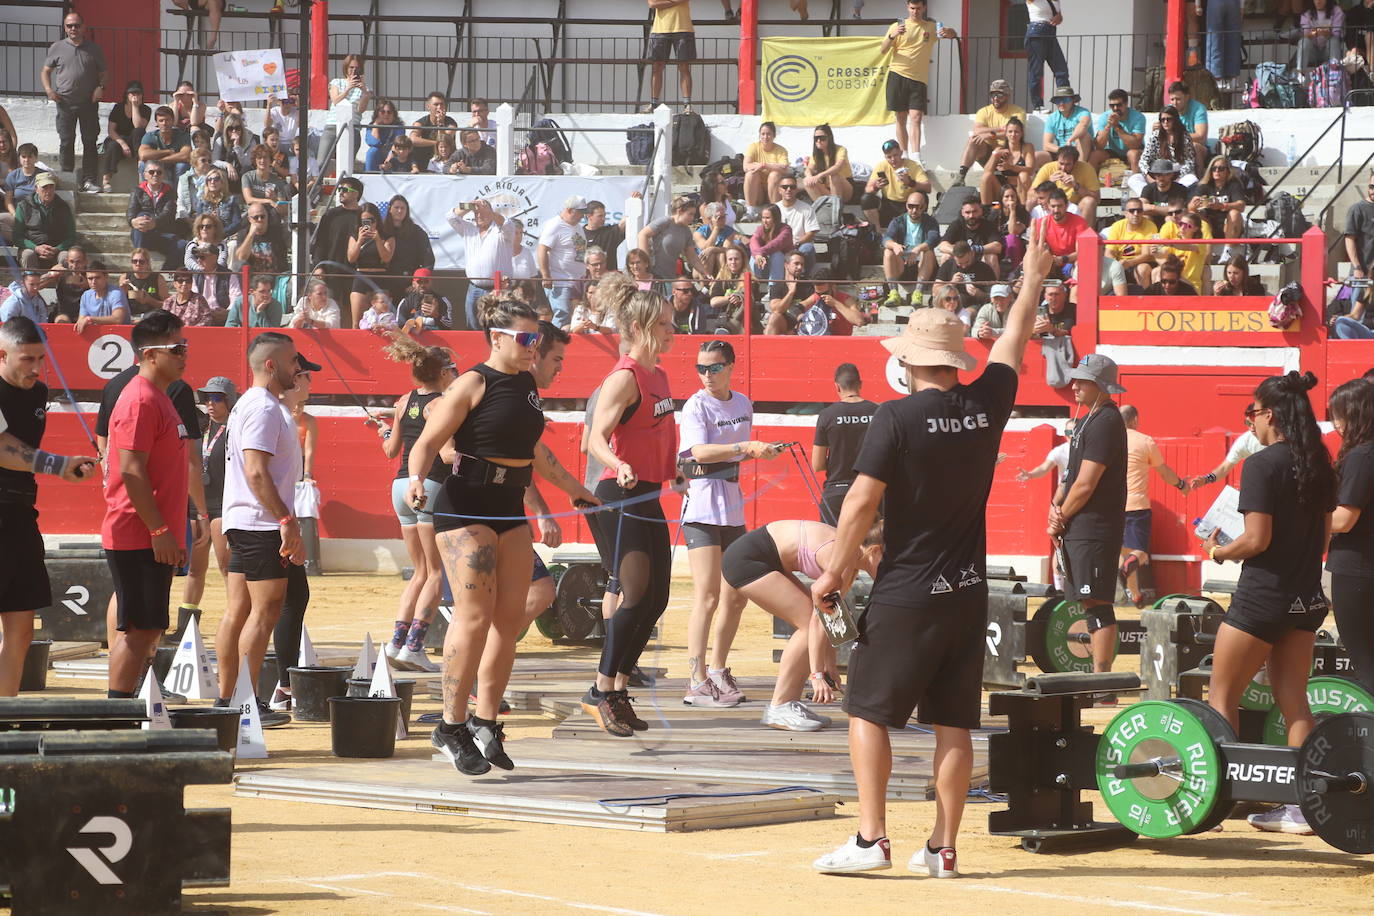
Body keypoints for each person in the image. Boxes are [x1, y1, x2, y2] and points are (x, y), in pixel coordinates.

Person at [811, 224, 1052, 878]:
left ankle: (870, 839)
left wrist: (834, 569)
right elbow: (1014, 337)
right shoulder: (986, 403)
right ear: (954, 362)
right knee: (953, 724)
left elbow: (859, 504)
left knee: (867, 708)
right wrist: (1031, 276)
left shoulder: (895, 418)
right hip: (967, 594)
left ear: (906, 362)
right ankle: (943, 848)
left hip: (908, 591)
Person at [407, 296, 598, 772]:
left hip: (509, 508)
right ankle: (449, 726)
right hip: (466, 506)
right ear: (498, 338)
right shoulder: (474, 382)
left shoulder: (527, 387)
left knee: (508, 620)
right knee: (472, 618)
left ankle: (486, 721)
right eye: (527, 337)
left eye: (538, 338)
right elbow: (428, 440)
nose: (535, 346)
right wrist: (414, 479)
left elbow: (534, 452)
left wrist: (576, 491)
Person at [1204, 372, 1335, 835]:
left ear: (1271, 415)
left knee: (1222, 696)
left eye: (1252, 413)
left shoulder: (1261, 465)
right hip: (1305, 598)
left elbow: (1257, 540)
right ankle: (1304, 807)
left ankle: (1215, 801)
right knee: (1295, 702)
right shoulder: (1319, 462)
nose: (1249, 422)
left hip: (1262, 597)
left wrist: (1220, 550)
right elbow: (1323, 537)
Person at [581, 289, 677, 737]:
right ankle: (601, 691)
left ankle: (618, 687)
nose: (671, 330)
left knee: (656, 598)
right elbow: (596, 439)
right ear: (639, 328)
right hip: (618, 494)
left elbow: (656, 433)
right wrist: (617, 464)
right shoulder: (624, 376)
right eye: (663, 324)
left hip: (649, 495)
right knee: (635, 593)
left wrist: (677, 467)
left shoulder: (660, 375)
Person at [215, 333, 317, 727]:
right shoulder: (263, 408)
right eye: (293, 361)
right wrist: (286, 521)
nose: (298, 368)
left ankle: (230, 699)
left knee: (240, 610)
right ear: (272, 365)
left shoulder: (254, 405)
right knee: (265, 612)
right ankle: (244, 701)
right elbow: (257, 471)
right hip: (260, 524)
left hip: (248, 521)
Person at [676, 339, 781, 706]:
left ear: (731, 366)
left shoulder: (742, 403)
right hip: (702, 509)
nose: (707, 375)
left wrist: (759, 451)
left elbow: (738, 453)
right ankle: (695, 679)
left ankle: (718, 670)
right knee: (706, 595)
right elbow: (697, 453)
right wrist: (746, 447)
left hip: (732, 508)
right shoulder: (695, 406)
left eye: (714, 367)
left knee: (736, 595)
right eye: (701, 368)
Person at [101, 310, 200, 699]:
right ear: (150, 354)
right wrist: (160, 530)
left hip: (153, 532)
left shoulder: (160, 396)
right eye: (177, 348)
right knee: (138, 629)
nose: (184, 355)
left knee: (146, 628)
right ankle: (116, 716)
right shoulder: (141, 399)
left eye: (185, 347)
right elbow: (131, 470)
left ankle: (121, 712)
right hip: (138, 532)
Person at [0, 316, 97, 695]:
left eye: (41, 358)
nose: (37, 368)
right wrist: (59, 465)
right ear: (2, 354)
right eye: (27, 359)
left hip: (23, 515)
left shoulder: (38, 392)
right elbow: (3, 448)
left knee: (22, 629)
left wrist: (68, 471)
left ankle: (4, 719)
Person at [723, 519, 883, 730]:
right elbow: (818, 620)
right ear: (874, 550)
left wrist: (830, 667)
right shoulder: (844, 560)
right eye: (890, 563)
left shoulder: (851, 559)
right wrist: (816, 675)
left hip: (762, 556)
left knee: (811, 618)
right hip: (747, 559)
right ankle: (780, 706)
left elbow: (831, 615)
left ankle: (789, 702)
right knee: (808, 623)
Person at [374, 339, 456, 672]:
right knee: (435, 573)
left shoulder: (403, 401)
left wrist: (383, 432)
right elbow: (447, 454)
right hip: (430, 485)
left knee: (420, 572)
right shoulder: (441, 405)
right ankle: (415, 645)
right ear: (442, 373)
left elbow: (391, 451)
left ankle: (397, 643)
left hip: (400, 487)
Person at [1048, 354, 1128, 678]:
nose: (1074, 384)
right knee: (1088, 602)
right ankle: (1099, 676)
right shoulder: (1085, 421)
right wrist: (1055, 509)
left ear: (1100, 385)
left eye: (1082, 380)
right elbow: (1070, 477)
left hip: (1094, 527)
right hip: (1079, 525)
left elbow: (1085, 483)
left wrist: (1060, 517)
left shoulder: (1107, 421)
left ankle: (1102, 678)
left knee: (1096, 602)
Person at [178, 376, 236, 652]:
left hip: (223, 503)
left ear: (228, 400)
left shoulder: (235, 427)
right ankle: (185, 626)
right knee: (194, 569)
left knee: (227, 568)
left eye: (216, 398)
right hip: (196, 503)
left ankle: (235, 621)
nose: (210, 403)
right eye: (207, 398)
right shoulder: (199, 425)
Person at [1327, 378, 1374, 696]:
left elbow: (1344, 519)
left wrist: (1297, 519)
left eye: (1339, 414)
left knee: (1365, 661)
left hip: (1357, 568)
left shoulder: (1361, 456)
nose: (1336, 423)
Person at [1119, 405, 1188, 608]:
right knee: (1139, 553)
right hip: (1136, 505)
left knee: (1126, 554)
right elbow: (1164, 472)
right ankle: (1134, 588)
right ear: (1135, 420)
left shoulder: (1108, 440)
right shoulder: (1144, 440)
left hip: (1112, 506)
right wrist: (1181, 484)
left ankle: (1136, 595)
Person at [880, 0, 957, 158]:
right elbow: (883, 50)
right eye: (912, 8)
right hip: (897, 74)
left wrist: (948, 31)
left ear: (924, 8)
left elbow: (952, 35)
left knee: (916, 117)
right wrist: (892, 35)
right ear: (907, 7)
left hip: (919, 79)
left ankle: (916, 156)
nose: (915, 11)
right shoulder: (897, 26)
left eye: (918, 8)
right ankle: (904, 155)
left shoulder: (930, 26)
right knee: (900, 117)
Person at [41, 12, 105, 193]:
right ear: (65, 27)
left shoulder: (94, 49)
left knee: (90, 141)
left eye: (76, 25)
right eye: (69, 26)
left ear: (83, 26)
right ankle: (67, 178)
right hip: (65, 103)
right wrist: (49, 90)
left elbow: (104, 74)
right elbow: (45, 71)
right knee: (66, 141)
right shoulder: (56, 47)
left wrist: (100, 87)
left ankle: (90, 180)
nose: (73, 29)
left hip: (88, 103)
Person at [813, 363, 877, 525]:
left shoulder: (827, 415)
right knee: (872, 548)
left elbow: (818, 464)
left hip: (836, 492)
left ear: (837, 387)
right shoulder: (878, 412)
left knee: (833, 547)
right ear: (860, 384)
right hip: (869, 490)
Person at [448, 199, 518, 330]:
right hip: (474, 287)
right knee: (473, 325)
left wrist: (488, 211)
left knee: (497, 325)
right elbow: (451, 216)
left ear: (490, 213)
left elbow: (507, 223)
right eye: (476, 213)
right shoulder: (469, 229)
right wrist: (470, 205)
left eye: (482, 213)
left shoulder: (502, 230)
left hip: (498, 288)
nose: (478, 215)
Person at [955, 80, 1028, 189]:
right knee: (974, 140)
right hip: (989, 154)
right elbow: (977, 131)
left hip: (1010, 153)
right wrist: (999, 129)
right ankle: (961, 176)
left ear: (1007, 96)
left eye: (999, 95)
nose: (995, 98)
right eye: (992, 95)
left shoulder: (1018, 112)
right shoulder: (984, 111)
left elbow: (1014, 132)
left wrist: (990, 135)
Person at [311, 175, 364, 307]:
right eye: (339, 189)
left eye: (345, 190)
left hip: (355, 272)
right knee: (331, 307)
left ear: (356, 194)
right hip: (331, 270)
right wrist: (319, 266)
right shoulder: (330, 215)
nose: (341, 192)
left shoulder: (364, 216)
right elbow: (320, 243)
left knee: (350, 310)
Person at [880, 190, 939, 309]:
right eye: (910, 206)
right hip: (903, 265)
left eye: (917, 207)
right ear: (906, 206)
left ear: (924, 207)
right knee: (888, 251)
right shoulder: (898, 221)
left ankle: (918, 293)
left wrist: (917, 249)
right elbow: (886, 239)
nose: (913, 210)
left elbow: (934, 238)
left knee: (928, 252)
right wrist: (894, 245)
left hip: (922, 266)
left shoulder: (930, 221)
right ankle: (894, 293)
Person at [538, 195, 589, 328]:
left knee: (575, 317)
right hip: (560, 280)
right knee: (562, 315)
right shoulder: (555, 225)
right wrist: (546, 276)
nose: (582, 217)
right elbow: (542, 249)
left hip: (577, 281)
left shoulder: (577, 226)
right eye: (581, 213)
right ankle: (553, 344)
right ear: (570, 210)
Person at [861, 139, 932, 229]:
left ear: (901, 153)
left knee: (922, 196)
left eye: (895, 155)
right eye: (889, 157)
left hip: (908, 205)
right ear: (885, 157)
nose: (893, 159)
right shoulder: (882, 166)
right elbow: (867, 189)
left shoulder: (912, 165)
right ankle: (878, 232)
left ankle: (916, 228)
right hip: (889, 204)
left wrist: (910, 182)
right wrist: (876, 186)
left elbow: (928, 188)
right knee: (866, 198)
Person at [320, 54, 372, 175]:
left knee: (346, 164)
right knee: (321, 161)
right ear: (346, 68)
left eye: (356, 68)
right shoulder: (336, 82)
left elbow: (361, 109)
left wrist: (365, 92)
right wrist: (348, 88)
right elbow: (335, 101)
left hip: (352, 127)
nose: (353, 71)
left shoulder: (365, 88)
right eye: (351, 67)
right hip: (333, 125)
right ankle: (316, 190)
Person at [639, 194, 709, 281]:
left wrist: (705, 273)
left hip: (669, 276)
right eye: (690, 214)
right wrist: (645, 264)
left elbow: (692, 257)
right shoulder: (665, 222)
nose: (692, 218)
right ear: (679, 211)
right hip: (653, 274)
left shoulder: (686, 231)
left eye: (693, 215)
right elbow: (642, 234)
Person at [13, 172, 75, 270]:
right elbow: (17, 237)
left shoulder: (64, 207)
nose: (48, 191)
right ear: (36, 189)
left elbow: (72, 236)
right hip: (32, 248)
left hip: (57, 249)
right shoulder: (23, 206)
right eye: (44, 187)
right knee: (28, 255)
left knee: (66, 257)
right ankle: (31, 283)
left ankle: (63, 285)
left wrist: (57, 249)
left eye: (51, 187)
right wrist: (36, 248)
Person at [127, 162, 183, 269]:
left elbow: (168, 214)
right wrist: (132, 221)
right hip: (142, 233)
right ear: (145, 175)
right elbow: (131, 211)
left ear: (163, 175)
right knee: (143, 215)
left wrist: (154, 223)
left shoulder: (170, 192)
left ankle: (166, 271)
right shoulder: (137, 190)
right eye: (151, 172)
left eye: (159, 172)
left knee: (181, 245)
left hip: (162, 233)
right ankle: (140, 262)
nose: (155, 175)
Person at [1030, 145, 1099, 228]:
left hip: (1075, 206)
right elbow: (1031, 193)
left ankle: (1084, 236)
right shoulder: (1048, 168)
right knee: (1031, 200)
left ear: (1075, 163)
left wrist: (1076, 186)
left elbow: (1096, 197)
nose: (1063, 168)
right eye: (1061, 163)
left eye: (1068, 164)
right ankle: (1030, 233)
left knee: (1089, 201)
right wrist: (1049, 183)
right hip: (1052, 205)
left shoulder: (1087, 169)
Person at [102, 81, 150, 193]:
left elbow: (138, 126)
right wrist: (123, 144)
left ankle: (140, 167)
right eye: (132, 93)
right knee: (112, 146)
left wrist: (135, 106)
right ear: (127, 95)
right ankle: (106, 180)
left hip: (135, 141)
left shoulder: (146, 109)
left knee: (138, 132)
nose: (135, 96)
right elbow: (111, 130)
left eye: (138, 93)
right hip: (118, 139)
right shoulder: (118, 108)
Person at [979, 116, 1037, 207]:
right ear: (1005, 133)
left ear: (1022, 133)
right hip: (1002, 191)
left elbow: (1030, 170)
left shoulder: (1027, 147)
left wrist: (1011, 167)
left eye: (1016, 132)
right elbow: (986, 171)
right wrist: (995, 155)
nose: (1013, 135)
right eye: (1010, 131)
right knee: (987, 176)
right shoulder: (1000, 149)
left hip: (1019, 190)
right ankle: (988, 210)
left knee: (1024, 175)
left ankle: (1023, 210)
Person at [1025, 0, 1070, 113]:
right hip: (1036, 32)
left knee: (1061, 70)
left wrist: (1059, 18)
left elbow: (1059, 17)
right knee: (1036, 72)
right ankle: (1038, 106)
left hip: (1050, 34)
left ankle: (1065, 102)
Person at [938, 197, 1003, 276]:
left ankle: (992, 287)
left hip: (980, 260)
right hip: (960, 261)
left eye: (975, 212)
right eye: (967, 212)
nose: (971, 215)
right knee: (946, 256)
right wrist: (960, 252)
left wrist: (973, 249)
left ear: (981, 211)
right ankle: (944, 286)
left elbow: (997, 246)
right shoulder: (956, 225)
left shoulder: (988, 225)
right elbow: (942, 245)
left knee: (991, 257)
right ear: (962, 213)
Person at [1034, 187, 1089, 279]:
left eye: (1059, 206)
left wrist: (1063, 259)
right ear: (1048, 206)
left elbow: (1082, 252)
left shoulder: (1079, 222)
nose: (1056, 210)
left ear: (1066, 206)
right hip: (1049, 263)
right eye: (1053, 206)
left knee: (1080, 265)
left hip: (1071, 263)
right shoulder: (1041, 223)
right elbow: (1037, 249)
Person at [1106, 197, 1160, 288]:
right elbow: (1109, 253)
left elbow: (1147, 255)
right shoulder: (1117, 226)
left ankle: (1144, 298)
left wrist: (1128, 263)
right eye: (1132, 211)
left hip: (1140, 263)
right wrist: (1116, 265)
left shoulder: (1150, 226)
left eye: (1139, 211)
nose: (1136, 214)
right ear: (1125, 213)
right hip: (1121, 264)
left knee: (1143, 268)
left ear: (1143, 212)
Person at [1190, 156, 1248, 241]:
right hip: (1209, 222)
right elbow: (1190, 207)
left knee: (1234, 213)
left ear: (1228, 171)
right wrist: (1198, 204)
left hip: (1228, 222)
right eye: (1214, 168)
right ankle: (1203, 246)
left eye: (1221, 168)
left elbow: (1241, 206)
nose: (1217, 171)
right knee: (1192, 214)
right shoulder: (1204, 185)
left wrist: (1222, 206)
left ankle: (1228, 250)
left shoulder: (1234, 185)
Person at [1090, 88, 1147, 173]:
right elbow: (1099, 146)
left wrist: (1117, 127)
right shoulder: (1105, 117)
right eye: (1112, 106)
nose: (1115, 108)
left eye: (1119, 105)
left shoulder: (1138, 118)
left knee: (1133, 154)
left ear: (1126, 104)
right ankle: (1092, 183)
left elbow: (1135, 144)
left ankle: (1136, 183)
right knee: (1094, 155)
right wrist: (1108, 127)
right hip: (1113, 151)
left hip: (1133, 150)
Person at [742, 122, 790, 216]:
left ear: (774, 135)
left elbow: (784, 168)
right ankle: (750, 210)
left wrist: (764, 165)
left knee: (774, 175)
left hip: (774, 192)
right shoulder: (753, 147)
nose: (765, 137)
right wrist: (772, 165)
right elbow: (746, 166)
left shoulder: (781, 150)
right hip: (758, 191)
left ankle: (775, 210)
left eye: (768, 134)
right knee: (750, 174)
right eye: (763, 134)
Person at [775, 179, 821, 274]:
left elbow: (811, 232)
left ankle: (803, 278)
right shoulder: (774, 209)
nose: (788, 189)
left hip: (799, 246)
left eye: (792, 187)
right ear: (779, 190)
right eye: (785, 187)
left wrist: (795, 243)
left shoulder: (807, 208)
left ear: (796, 190)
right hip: (779, 246)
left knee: (808, 248)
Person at [802, 124, 854, 203]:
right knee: (806, 181)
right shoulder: (816, 154)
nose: (818, 141)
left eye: (822, 138)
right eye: (816, 138)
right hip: (827, 189)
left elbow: (838, 167)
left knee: (834, 176)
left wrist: (819, 175)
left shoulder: (840, 150)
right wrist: (809, 177)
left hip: (844, 189)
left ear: (829, 138)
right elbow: (809, 169)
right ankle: (823, 209)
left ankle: (836, 209)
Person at [1158, 213, 1210, 291]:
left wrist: (1170, 243)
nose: (1182, 228)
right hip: (1174, 283)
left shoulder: (1200, 243)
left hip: (1191, 285)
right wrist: (1155, 250)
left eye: (1186, 226)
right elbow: (1161, 254)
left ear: (1195, 229)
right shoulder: (1175, 242)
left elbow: (1188, 246)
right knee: (1156, 272)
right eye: (1181, 224)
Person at [139, 106, 192, 182]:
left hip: (175, 168)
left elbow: (185, 155)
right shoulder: (150, 136)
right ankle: (147, 192)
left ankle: (177, 193)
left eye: (167, 120)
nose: (164, 123)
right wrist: (168, 152)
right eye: (161, 120)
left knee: (182, 165)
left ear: (173, 121)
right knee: (143, 165)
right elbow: (143, 155)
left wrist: (160, 161)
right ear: (156, 122)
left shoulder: (183, 135)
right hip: (156, 168)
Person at [75, 260, 130, 333]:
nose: (93, 282)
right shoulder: (86, 296)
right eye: (90, 278)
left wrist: (90, 319)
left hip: (120, 336)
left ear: (106, 277)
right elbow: (81, 321)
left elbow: (118, 319)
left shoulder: (117, 293)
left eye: (97, 278)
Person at [1167, 81, 1209, 176]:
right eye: (1172, 99)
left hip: (1196, 147)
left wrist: (1177, 137)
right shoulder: (1168, 110)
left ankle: (1200, 180)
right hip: (1174, 147)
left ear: (1187, 97)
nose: (1174, 103)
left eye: (1178, 99)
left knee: (1195, 146)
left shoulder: (1198, 109)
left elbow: (1201, 136)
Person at [408, 91, 457, 172]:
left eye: (442, 104)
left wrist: (440, 123)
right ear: (428, 106)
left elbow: (444, 141)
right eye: (436, 104)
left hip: (444, 161)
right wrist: (436, 143)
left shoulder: (451, 123)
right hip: (425, 159)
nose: (439, 107)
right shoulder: (421, 122)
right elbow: (412, 139)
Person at [1042, 85, 1092, 163]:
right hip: (1061, 152)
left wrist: (1070, 140)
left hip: (1080, 152)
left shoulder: (1083, 112)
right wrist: (1063, 151)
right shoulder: (1052, 117)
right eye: (1058, 100)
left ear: (1073, 101)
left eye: (1066, 100)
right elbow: (1046, 144)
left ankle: (1080, 168)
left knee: (1083, 136)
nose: (1061, 103)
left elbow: (1083, 125)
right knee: (1037, 156)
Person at [397, 268, 453, 333]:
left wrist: (437, 316)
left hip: (437, 338)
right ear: (413, 284)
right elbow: (399, 325)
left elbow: (449, 325)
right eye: (419, 282)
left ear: (431, 282)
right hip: (414, 339)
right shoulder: (406, 301)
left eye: (426, 281)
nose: (423, 285)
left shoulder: (442, 300)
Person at [192, 169, 244, 240]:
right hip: (206, 236)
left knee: (233, 245)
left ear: (222, 182)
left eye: (216, 179)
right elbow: (198, 223)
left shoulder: (231, 200)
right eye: (209, 179)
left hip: (227, 236)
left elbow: (237, 223)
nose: (212, 182)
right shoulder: (202, 201)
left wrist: (220, 233)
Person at [748, 204, 793, 282]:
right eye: (763, 218)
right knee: (753, 256)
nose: (764, 221)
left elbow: (776, 244)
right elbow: (753, 241)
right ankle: (753, 283)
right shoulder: (760, 229)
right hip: (764, 264)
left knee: (777, 254)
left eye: (768, 218)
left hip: (783, 265)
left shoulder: (786, 230)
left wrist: (760, 253)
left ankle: (774, 287)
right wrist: (758, 255)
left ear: (775, 218)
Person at [1296, 0, 1345, 72]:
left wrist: (1326, 33)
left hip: (1328, 51)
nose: (1318, 1)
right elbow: (1305, 34)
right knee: (1304, 41)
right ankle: (1300, 73)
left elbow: (1337, 34)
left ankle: (1335, 73)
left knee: (1334, 41)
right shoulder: (1307, 12)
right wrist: (1312, 34)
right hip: (1312, 52)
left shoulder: (1336, 11)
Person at [121, 247, 169, 317]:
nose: (138, 264)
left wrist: (149, 300)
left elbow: (167, 305)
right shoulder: (125, 277)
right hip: (130, 315)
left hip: (152, 316)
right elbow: (118, 303)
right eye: (135, 261)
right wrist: (122, 291)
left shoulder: (158, 278)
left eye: (141, 262)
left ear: (147, 263)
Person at [585, 199, 629, 271]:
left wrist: (635, 200)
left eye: (604, 215)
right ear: (589, 216)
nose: (603, 219)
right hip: (586, 280)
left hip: (609, 279)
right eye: (600, 216)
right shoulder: (580, 234)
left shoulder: (610, 232)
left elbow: (625, 220)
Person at [364, 100, 405, 172]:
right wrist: (376, 125)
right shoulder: (371, 127)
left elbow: (397, 146)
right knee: (372, 151)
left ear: (394, 115)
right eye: (382, 112)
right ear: (378, 114)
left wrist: (387, 161)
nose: (386, 114)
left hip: (393, 158)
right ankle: (370, 175)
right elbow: (374, 143)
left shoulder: (399, 127)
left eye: (389, 112)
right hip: (378, 158)